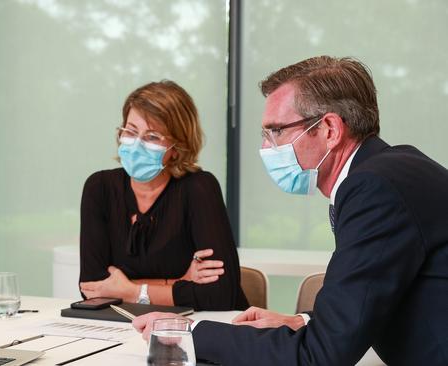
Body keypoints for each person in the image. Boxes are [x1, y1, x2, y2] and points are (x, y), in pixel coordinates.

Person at [133, 56, 448, 365]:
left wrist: (189, 333)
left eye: (276, 131)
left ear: (329, 129)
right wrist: (300, 321)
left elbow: (319, 357)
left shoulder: (373, 189)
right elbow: (368, 298)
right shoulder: (394, 168)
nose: (266, 148)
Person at [79, 80, 248, 311]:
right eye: (130, 131)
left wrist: (131, 291)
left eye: (152, 137)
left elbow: (221, 294)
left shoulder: (199, 188)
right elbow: (92, 288)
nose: (136, 143)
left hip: (199, 326)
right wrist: (179, 282)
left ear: (177, 147)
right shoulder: (99, 188)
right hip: (126, 325)